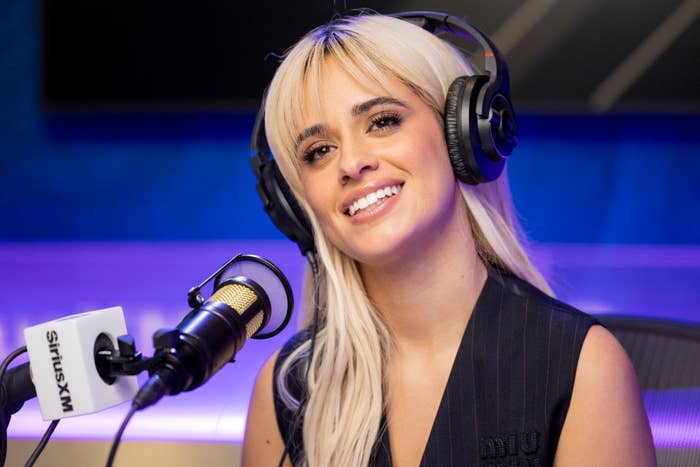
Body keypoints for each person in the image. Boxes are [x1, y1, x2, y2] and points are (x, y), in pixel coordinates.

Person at [242, 11, 655, 467]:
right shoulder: (290, 389)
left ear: (463, 134)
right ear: (297, 203)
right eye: (319, 152)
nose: (351, 163)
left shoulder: (581, 368)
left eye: (382, 121)